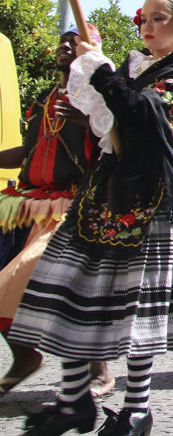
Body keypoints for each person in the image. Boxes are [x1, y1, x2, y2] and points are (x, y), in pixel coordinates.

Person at [9, 0, 173, 435]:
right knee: (72, 292)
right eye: (144, 19)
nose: (147, 27)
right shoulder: (139, 68)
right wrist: (93, 78)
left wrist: (99, 68)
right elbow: (112, 117)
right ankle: (73, 399)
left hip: (147, 200)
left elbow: (140, 115)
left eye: (159, 19)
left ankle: (137, 409)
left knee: (135, 309)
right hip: (103, 192)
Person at [0, 25, 115, 400]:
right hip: (29, 206)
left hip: (73, 209)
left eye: (75, 41)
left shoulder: (98, 97)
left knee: (64, 289)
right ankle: (25, 358)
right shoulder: (46, 98)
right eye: (63, 41)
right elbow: (28, 151)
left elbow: (117, 142)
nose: (67, 46)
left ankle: (99, 371)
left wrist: (86, 119)